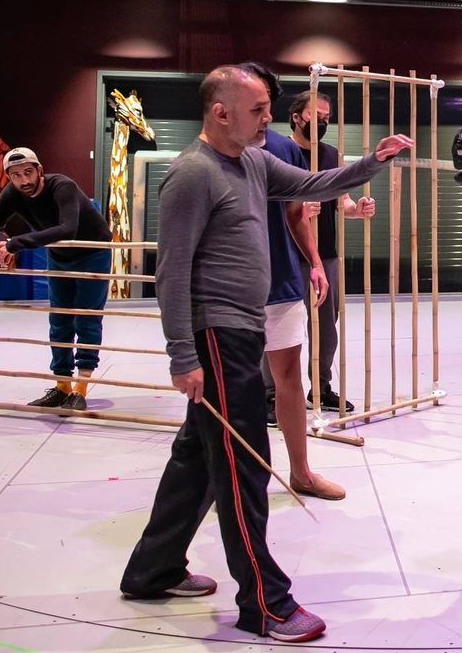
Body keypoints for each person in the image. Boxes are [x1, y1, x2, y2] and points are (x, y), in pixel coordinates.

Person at [119, 65, 412, 642]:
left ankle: (151, 571)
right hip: (216, 336)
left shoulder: (253, 161)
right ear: (219, 111)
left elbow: (310, 187)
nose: (268, 121)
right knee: (241, 465)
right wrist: (183, 355)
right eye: (257, 110)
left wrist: (373, 162)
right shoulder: (191, 175)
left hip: (243, 330)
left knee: (198, 458)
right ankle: (266, 604)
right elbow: (171, 272)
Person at [237, 62, 349, 502]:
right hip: (236, 285)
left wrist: (316, 260)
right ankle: (235, 472)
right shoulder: (206, 158)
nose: (265, 115)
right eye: (257, 107)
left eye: (267, 106)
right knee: (233, 379)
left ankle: (300, 469)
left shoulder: (288, 151)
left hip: (286, 274)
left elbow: (298, 209)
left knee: (297, 365)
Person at [0, 146, 114, 410]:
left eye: (28, 172)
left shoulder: (62, 186)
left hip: (91, 252)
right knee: (59, 319)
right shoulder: (13, 193)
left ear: (40, 170)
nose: (24, 181)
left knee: (86, 317)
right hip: (59, 255)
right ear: (9, 177)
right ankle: (62, 386)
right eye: (16, 176)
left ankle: (80, 390)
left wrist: (14, 244)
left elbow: (67, 228)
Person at [285, 87, 372, 414]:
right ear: (296, 117)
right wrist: (296, 211)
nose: (321, 123)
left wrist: (358, 208)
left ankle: (319, 388)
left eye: (326, 118)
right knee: (282, 326)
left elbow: (343, 202)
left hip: (327, 254)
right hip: (287, 254)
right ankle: (271, 394)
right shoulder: (279, 151)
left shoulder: (332, 155)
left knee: (325, 327)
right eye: (314, 117)